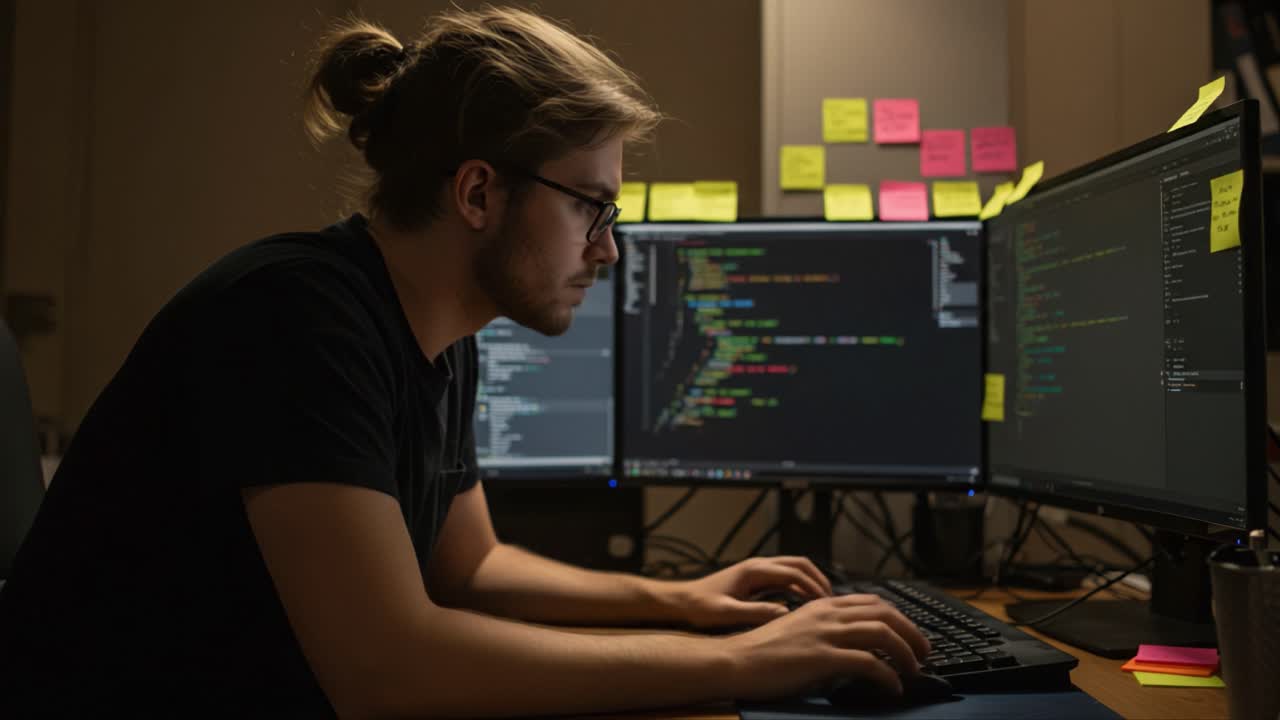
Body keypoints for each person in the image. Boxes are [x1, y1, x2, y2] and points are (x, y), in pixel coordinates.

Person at [0, 7, 929, 718]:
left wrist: (688, 603)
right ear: (479, 191)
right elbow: (387, 667)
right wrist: (746, 662)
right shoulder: (300, 319)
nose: (606, 250)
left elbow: (470, 568)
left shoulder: (435, 335)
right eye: (590, 208)